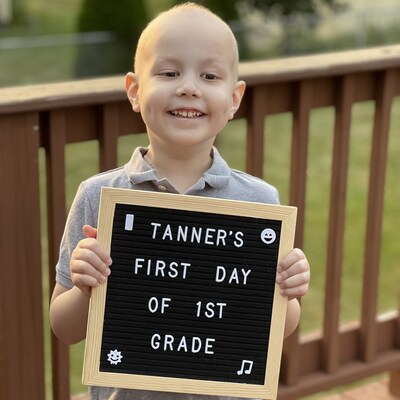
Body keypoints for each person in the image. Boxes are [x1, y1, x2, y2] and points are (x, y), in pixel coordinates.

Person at [50, 2, 310, 400]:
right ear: (135, 91)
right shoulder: (99, 198)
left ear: (234, 98)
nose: (189, 86)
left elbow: (275, 326)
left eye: (209, 75)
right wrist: (86, 287)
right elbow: (64, 329)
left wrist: (286, 291)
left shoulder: (258, 203)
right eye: (170, 73)